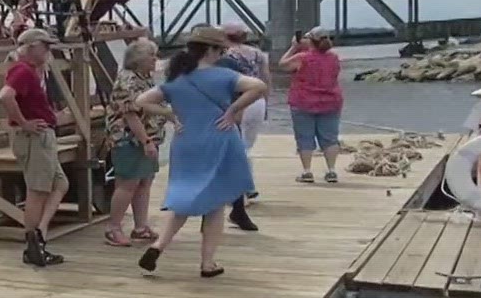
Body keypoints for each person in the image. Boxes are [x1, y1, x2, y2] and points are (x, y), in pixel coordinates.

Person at [133, 25, 267, 277]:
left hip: (186, 143)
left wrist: (170, 114)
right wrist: (232, 110)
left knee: (185, 196)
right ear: (211, 50)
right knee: (216, 203)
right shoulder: (224, 76)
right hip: (219, 139)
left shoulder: (176, 81)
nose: (221, 55)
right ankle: (207, 263)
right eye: (220, 50)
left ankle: (159, 245)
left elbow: (141, 101)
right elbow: (259, 86)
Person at [0, 28, 71, 267]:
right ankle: (33, 244)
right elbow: (5, 96)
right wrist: (24, 123)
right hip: (34, 138)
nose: (49, 51)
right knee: (37, 190)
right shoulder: (22, 70)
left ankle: (39, 232)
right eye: (45, 46)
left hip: (42, 136)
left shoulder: (30, 71)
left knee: (60, 183)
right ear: (31, 47)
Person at [102, 38, 167, 247]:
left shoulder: (144, 78)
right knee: (127, 183)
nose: (155, 60)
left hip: (147, 139)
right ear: (138, 59)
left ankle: (140, 227)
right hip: (129, 140)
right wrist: (146, 141)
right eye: (151, 55)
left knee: (144, 182)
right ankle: (113, 227)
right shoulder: (128, 80)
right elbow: (131, 115)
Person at [279, 26, 344, 184]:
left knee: (304, 137)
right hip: (330, 101)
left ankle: (307, 171)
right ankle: (331, 171)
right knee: (330, 138)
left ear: (311, 41)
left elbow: (282, 65)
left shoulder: (302, 57)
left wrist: (294, 46)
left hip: (303, 101)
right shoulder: (334, 58)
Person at [218, 22, 269, 200]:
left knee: (235, 145)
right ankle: (246, 185)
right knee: (246, 145)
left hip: (236, 102)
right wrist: (266, 103)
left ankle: (244, 185)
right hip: (257, 100)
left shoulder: (224, 54)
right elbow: (265, 79)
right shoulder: (257, 53)